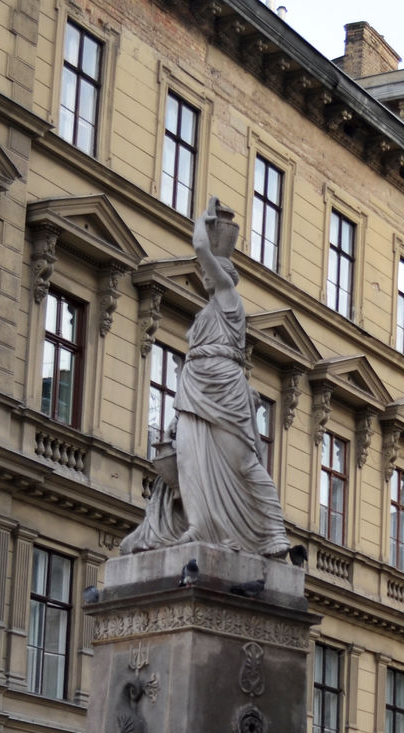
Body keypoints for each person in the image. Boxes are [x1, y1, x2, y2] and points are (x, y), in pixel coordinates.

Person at [123, 197, 290, 558]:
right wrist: (174, 418)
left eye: (212, 271)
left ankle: (275, 533)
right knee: (188, 459)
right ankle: (199, 524)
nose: (204, 276)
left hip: (224, 385)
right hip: (195, 385)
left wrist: (205, 221)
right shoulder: (206, 312)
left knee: (242, 462)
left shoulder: (229, 298)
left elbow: (200, 247)